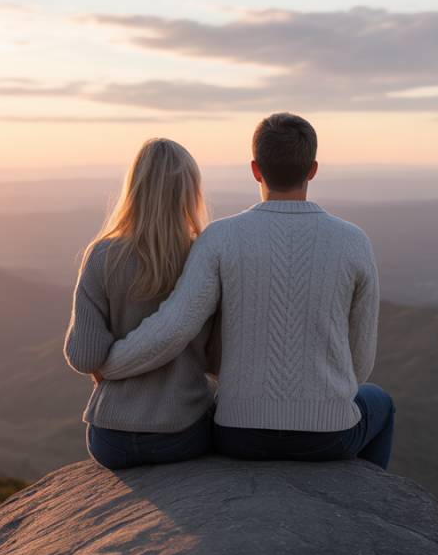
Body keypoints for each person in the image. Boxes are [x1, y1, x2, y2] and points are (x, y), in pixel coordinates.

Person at [97, 113, 395, 469]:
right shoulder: (353, 241)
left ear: (255, 169)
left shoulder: (221, 238)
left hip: (238, 434)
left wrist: (109, 364)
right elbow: (359, 363)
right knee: (380, 401)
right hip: (327, 437)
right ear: (312, 169)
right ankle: (363, 503)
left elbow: (174, 328)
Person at [63, 138, 218, 470]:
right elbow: (217, 357)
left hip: (110, 439)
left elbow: (84, 356)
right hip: (183, 433)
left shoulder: (102, 255)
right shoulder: (202, 256)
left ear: (134, 188)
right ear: (190, 192)